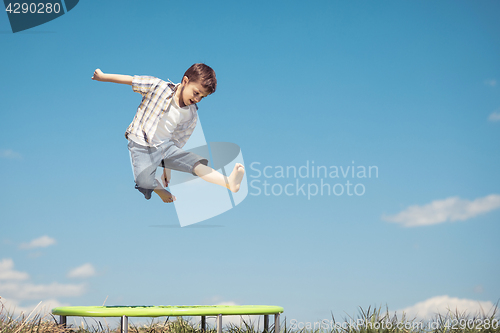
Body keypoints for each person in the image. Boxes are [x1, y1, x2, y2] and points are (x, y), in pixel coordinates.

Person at [91, 63, 245, 203]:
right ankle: (160, 191)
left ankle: (228, 182)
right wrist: (103, 77)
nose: (197, 99)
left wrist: (167, 168)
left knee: (195, 164)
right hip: (140, 143)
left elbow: (177, 141)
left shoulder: (191, 115)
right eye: (196, 92)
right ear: (185, 81)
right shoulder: (158, 87)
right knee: (143, 182)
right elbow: (131, 80)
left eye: (202, 97)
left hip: (165, 147)